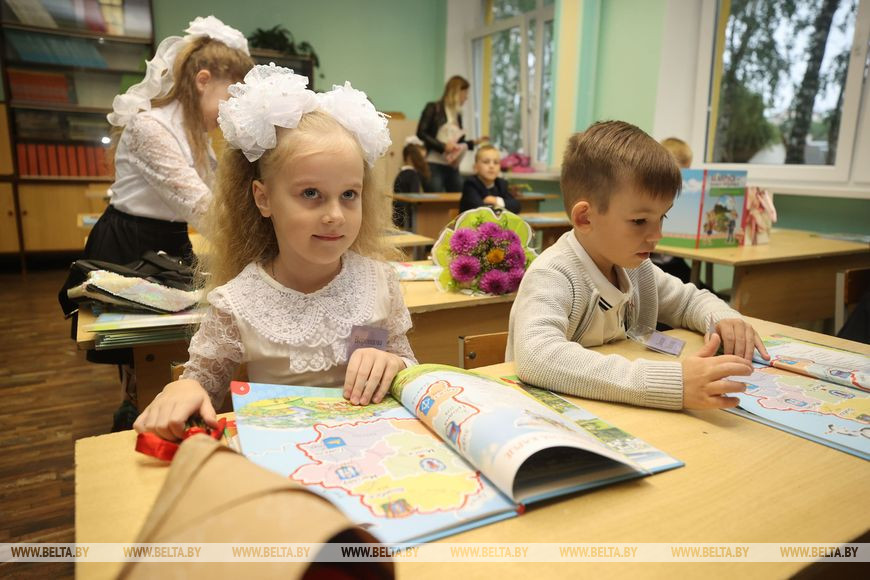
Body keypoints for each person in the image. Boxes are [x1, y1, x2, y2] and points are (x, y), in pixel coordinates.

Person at [134, 65, 418, 440]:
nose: (335, 215)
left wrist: (394, 364)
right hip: (286, 456)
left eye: (349, 194)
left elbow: (407, 364)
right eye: (311, 194)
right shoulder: (237, 302)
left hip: (371, 451)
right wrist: (185, 388)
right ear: (263, 198)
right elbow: (201, 382)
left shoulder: (380, 282)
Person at [507, 121, 770, 411]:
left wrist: (724, 318)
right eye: (639, 221)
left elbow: (688, 301)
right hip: (544, 416)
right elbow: (538, 356)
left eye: (662, 217)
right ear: (585, 218)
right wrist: (670, 383)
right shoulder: (552, 274)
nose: (657, 235)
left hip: (614, 410)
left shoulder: (635, 268)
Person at [85, 16, 253, 266]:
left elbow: (219, 195)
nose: (233, 111)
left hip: (171, 240)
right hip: (130, 246)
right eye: (231, 98)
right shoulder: (149, 127)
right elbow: (200, 206)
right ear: (203, 81)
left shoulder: (196, 134)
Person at [416, 75, 486, 192]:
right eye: (465, 93)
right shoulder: (433, 108)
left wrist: (473, 143)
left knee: (459, 195)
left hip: (452, 165)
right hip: (433, 164)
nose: (466, 97)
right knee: (435, 198)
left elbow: (458, 143)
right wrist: (443, 147)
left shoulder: (457, 114)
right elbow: (421, 133)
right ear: (456, 91)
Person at [651, 136, 693, 283]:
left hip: (675, 261)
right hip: (654, 262)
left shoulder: (686, 196)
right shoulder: (652, 194)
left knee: (704, 290)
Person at [460, 144, 521, 214]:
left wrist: (496, 201)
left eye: (496, 162)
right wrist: (501, 206)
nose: (491, 166)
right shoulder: (470, 184)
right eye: (486, 162)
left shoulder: (501, 184)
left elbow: (517, 206)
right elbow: (480, 209)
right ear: (475, 167)